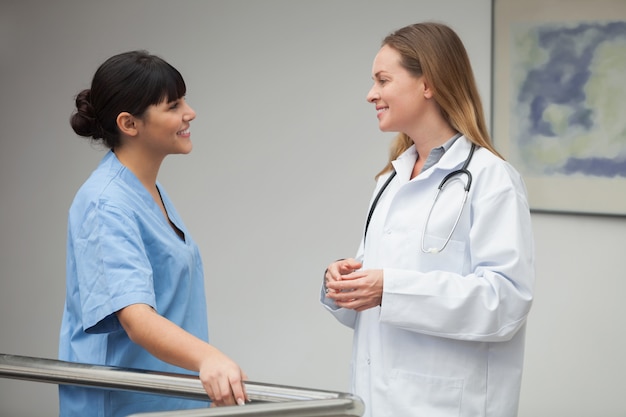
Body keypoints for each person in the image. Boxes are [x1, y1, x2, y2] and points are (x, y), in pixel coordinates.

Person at [321, 22, 535, 417]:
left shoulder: (491, 178)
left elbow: (505, 302)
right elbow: (378, 293)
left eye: (383, 80)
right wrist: (345, 281)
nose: (371, 94)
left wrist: (390, 289)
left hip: (448, 404)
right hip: (376, 399)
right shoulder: (391, 179)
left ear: (428, 83)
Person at [59, 50, 248, 417]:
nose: (189, 113)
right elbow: (136, 318)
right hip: (120, 403)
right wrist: (209, 358)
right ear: (130, 124)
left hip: (166, 399)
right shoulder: (106, 203)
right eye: (174, 105)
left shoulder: (147, 193)